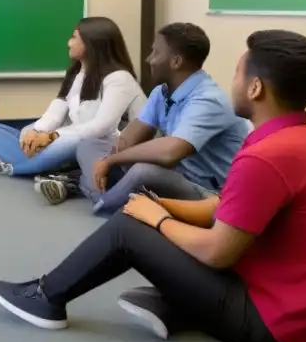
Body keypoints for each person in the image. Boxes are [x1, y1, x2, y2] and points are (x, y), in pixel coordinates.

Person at [0, 30, 306, 342]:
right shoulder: (304, 140)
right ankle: (178, 307)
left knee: (127, 230)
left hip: (268, 323)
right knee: (142, 214)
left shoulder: (265, 157)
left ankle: (46, 297)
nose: (232, 82)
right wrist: (161, 206)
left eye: (237, 73)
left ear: (255, 88)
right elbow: (222, 208)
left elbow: (217, 253)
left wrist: (159, 220)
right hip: (292, 311)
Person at [78, 22, 250, 212]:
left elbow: (169, 153)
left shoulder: (208, 100)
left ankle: (105, 203)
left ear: (176, 61)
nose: (148, 59)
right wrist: (112, 156)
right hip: (176, 174)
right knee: (89, 145)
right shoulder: (162, 92)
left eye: (155, 52)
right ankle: (118, 197)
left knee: (143, 171)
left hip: (208, 192)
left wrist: (110, 161)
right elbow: (128, 141)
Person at [0, 17, 147, 204]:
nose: (68, 43)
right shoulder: (77, 73)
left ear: (91, 43)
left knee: (69, 143)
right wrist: (36, 132)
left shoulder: (119, 78)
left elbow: (101, 128)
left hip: (103, 144)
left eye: (74, 37)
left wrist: (50, 137)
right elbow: (56, 112)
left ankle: (11, 168)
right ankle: (45, 166)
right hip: (73, 135)